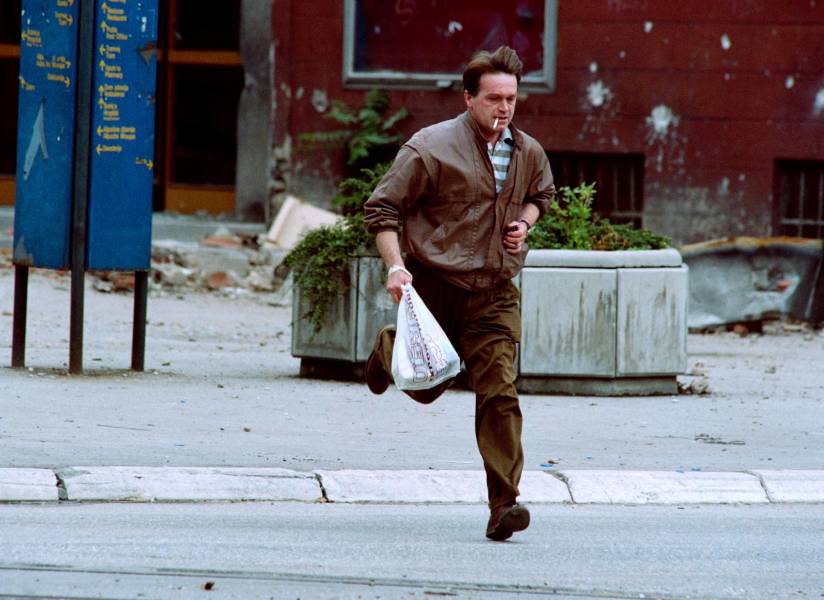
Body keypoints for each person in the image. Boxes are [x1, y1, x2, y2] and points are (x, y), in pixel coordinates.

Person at [362, 46, 555, 541]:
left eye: (511, 98)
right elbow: (382, 210)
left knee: (499, 394)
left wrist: (524, 223)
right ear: (469, 98)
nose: (504, 108)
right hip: (436, 287)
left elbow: (542, 195)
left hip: (495, 291)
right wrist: (396, 268)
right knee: (427, 387)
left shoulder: (528, 151)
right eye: (494, 98)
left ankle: (503, 505)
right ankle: (390, 349)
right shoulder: (430, 147)